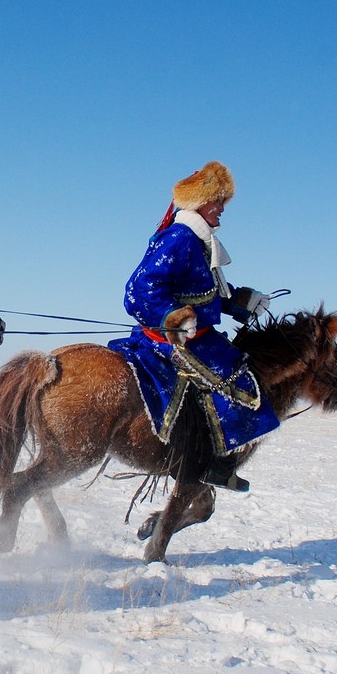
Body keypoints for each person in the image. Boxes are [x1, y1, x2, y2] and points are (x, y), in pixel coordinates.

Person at [110, 161, 280, 491]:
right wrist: (172, 318)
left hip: (197, 335)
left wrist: (240, 302)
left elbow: (204, 293)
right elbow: (140, 289)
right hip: (173, 339)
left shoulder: (198, 240)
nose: (222, 210)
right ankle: (213, 464)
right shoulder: (181, 238)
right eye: (218, 202)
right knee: (238, 381)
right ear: (201, 203)